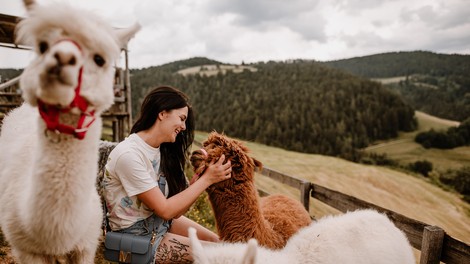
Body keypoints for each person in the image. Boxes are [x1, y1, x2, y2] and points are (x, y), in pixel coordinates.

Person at [103, 86, 232, 263]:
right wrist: (208, 180)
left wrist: (198, 182)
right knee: (225, 256)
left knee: (223, 245)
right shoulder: (129, 155)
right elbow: (165, 210)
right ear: (162, 113)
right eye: (181, 118)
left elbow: (175, 213)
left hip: (159, 224)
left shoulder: (161, 151)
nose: (184, 126)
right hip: (137, 237)